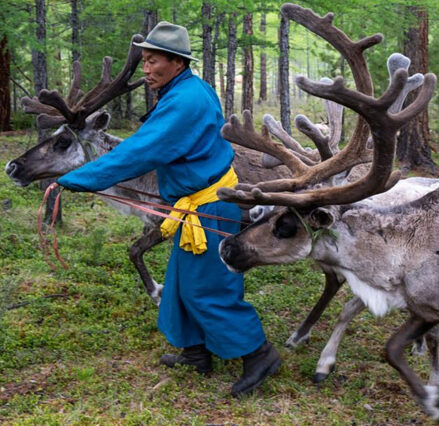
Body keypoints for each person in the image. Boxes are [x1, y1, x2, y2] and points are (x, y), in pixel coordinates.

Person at [56, 21, 282, 397]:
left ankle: (259, 354)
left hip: (208, 209)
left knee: (208, 288)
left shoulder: (185, 101)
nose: (145, 69)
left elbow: (141, 150)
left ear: (176, 62)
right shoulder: (185, 89)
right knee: (180, 281)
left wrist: (81, 178)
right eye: (143, 61)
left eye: (152, 60)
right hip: (194, 207)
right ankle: (196, 353)